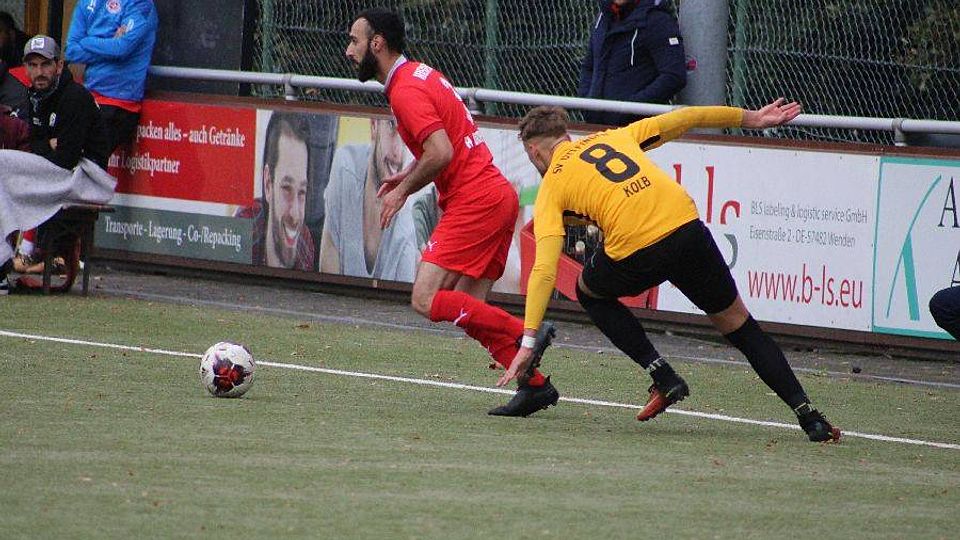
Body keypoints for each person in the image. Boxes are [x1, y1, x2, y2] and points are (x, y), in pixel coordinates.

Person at [500, 101, 842, 443]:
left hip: (637, 251)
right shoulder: (615, 137)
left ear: (534, 152)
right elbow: (687, 117)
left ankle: (663, 375)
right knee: (740, 326)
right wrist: (750, 118)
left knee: (589, 292)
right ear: (566, 135)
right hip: (686, 230)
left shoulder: (552, 186)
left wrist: (528, 342)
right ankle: (810, 417)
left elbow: (544, 268)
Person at [346, 7, 559, 417]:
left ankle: (526, 333)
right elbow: (445, 145)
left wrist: (402, 191)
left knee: (425, 299)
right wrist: (408, 172)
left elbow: (441, 151)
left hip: (476, 200)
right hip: (495, 196)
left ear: (377, 44)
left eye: (355, 41)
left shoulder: (405, 90)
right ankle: (533, 386)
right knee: (467, 308)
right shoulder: (419, 74)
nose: (349, 50)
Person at [11, 35, 111, 274]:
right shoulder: (35, 95)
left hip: (89, 177)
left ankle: (42, 254)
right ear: (25, 68)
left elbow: (66, 157)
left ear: (59, 65)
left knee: (25, 179)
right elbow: (32, 144)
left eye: (46, 64)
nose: (39, 72)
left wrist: (44, 147)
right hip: (61, 168)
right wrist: (48, 145)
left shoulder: (74, 97)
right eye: (33, 65)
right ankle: (17, 253)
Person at [320, 117, 418, 281]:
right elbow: (327, 276)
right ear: (374, 125)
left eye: (407, 135)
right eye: (392, 126)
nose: (398, 153)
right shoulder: (345, 167)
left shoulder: (405, 227)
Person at [65, 0, 158, 153]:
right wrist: (109, 44)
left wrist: (86, 41)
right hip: (89, 97)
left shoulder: (140, 4)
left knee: (86, 159)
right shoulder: (86, 3)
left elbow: (121, 48)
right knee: (62, 154)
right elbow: (71, 52)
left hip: (119, 103)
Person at [578, 0, 686, 126]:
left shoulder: (657, 21)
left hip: (637, 129)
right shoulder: (603, 17)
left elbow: (673, 76)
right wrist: (587, 101)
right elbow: (589, 66)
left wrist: (630, 109)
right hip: (596, 125)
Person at [251, 111, 316, 271]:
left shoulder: (306, 245)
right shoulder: (244, 233)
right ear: (268, 184)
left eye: (302, 192)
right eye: (286, 188)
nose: (295, 214)